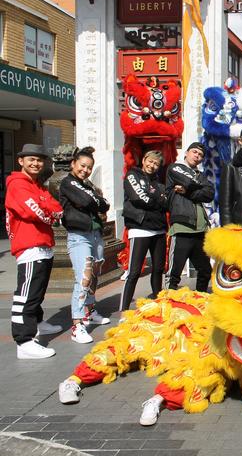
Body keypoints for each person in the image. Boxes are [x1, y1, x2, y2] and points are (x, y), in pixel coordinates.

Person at [6, 144, 64, 359]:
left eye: (39, 160)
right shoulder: (18, 185)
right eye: (31, 159)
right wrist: (50, 216)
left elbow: (55, 206)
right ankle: (24, 340)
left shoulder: (36, 185)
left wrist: (50, 212)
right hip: (29, 244)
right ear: (20, 161)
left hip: (42, 243)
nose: (36, 163)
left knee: (37, 290)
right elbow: (34, 212)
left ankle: (38, 322)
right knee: (26, 294)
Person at [59, 147, 111, 344]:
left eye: (89, 167)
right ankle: (77, 324)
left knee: (95, 273)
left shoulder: (86, 184)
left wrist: (94, 201)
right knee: (84, 277)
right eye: (82, 166)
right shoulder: (68, 182)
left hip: (95, 233)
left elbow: (103, 203)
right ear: (73, 164)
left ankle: (89, 310)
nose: (86, 170)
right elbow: (87, 199)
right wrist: (94, 200)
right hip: (78, 235)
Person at [120, 150, 167, 312]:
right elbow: (139, 198)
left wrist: (157, 199)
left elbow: (165, 201)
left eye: (156, 164)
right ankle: (124, 309)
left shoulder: (159, 183)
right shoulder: (132, 175)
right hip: (139, 229)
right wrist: (157, 200)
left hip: (159, 230)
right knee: (133, 272)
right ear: (144, 159)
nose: (152, 166)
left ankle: (158, 301)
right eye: (150, 161)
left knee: (158, 269)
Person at [165, 142, 215, 292]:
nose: (197, 156)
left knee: (205, 271)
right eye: (194, 152)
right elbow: (188, 181)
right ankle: (168, 305)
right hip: (182, 228)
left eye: (200, 155)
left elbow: (210, 194)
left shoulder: (201, 175)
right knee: (174, 274)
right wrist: (199, 187)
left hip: (200, 230)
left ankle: (200, 300)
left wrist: (187, 191)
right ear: (186, 153)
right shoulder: (175, 167)